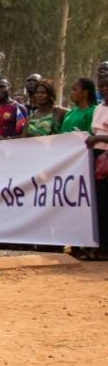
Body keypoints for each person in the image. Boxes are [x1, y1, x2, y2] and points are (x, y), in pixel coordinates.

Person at [84, 76, 108, 259]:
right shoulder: (99, 108)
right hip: (96, 156)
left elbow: (99, 135)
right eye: (102, 87)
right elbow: (94, 132)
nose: (104, 89)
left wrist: (99, 139)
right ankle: (99, 246)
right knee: (98, 204)